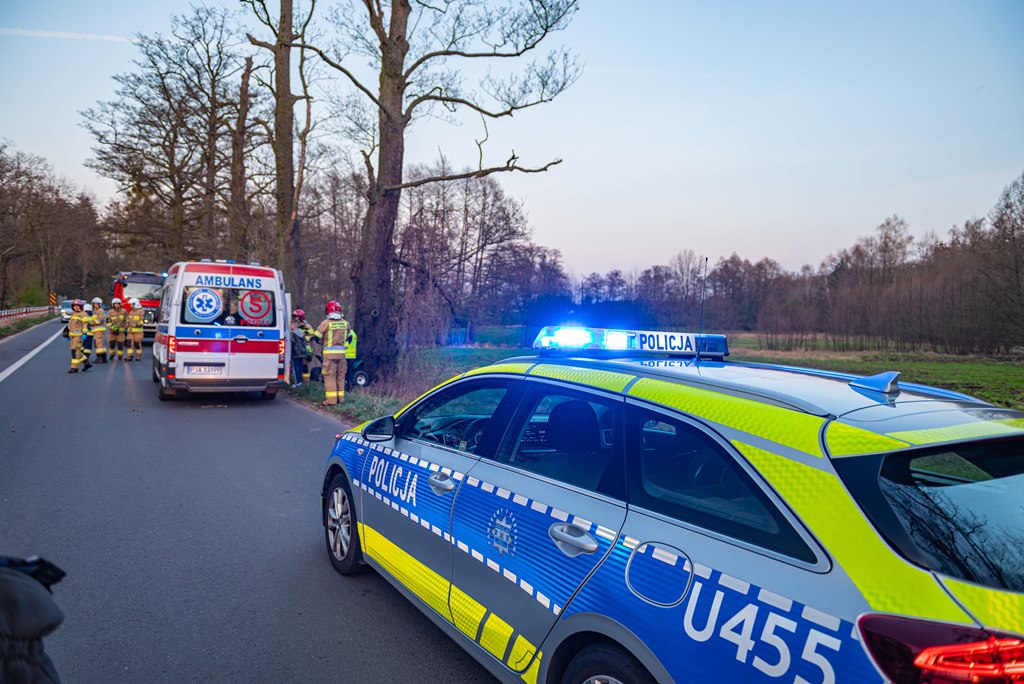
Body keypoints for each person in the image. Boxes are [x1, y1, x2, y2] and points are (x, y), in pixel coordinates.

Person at [313, 301, 349, 405]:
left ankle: (331, 401)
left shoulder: (325, 323)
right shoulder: (345, 323)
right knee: (341, 377)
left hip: (329, 356)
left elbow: (316, 337)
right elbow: (349, 337)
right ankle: (341, 399)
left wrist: (321, 341)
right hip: (342, 356)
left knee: (330, 377)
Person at [66, 299, 92, 373]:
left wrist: (84, 333)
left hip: (79, 336)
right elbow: (70, 325)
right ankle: (87, 363)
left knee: (74, 352)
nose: (76, 307)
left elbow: (85, 325)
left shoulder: (83, 314)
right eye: (74, 306)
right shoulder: (74, 314)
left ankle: (74, 368)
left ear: (80, 306)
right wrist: (68, 333)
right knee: (77, 351)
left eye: (77, 306)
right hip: (73, 336)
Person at [289, 310, 308, 385]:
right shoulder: (301, 330)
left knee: (296, 368)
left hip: (296, 352)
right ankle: (300, 382)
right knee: (299, 367)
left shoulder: (294, 331)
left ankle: (297, 383)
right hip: (302, 351)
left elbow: (292, 341)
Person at [89, 296, 108, 362]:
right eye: (94, 304)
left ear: (100, 304)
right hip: (96, 330)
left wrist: (91, 322)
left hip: (99, 330)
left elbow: (100, 320)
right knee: (100, 344)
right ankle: (104, 357)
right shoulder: (95, 311)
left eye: (97, 304)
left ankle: (99, 358)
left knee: (98, 344)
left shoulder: (100, 310)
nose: (95, 305)